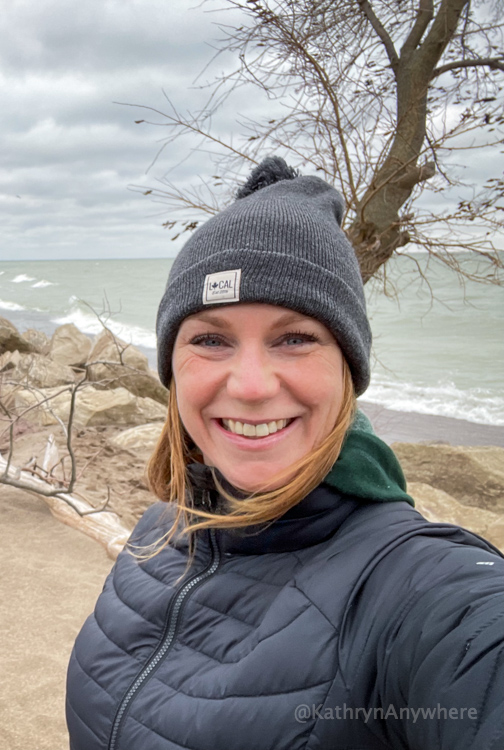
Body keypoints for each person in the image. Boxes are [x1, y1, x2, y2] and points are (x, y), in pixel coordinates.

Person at [65, 157, 504, 750]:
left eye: (295, 338)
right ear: (171, 367)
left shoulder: (419, 590)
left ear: (346, 368)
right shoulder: (158, 533)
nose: (251, 386)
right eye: (210, 339)